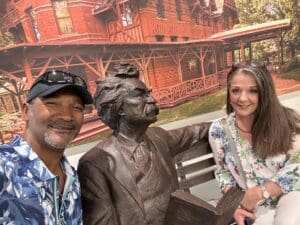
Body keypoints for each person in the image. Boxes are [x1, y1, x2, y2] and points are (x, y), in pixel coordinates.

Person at [77, 63, 210, 225]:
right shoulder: (95, 163)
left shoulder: (159, 137)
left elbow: (195, 132)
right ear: (119, 108)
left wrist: (231, 122)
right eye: (140, 95)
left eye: (149, 94)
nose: (152, 100)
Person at [209, 61, 300, 225]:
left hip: (291, 197)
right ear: (228, 93)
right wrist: (234, 206)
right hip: (255, 211)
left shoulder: (288, 120)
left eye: (253, 91)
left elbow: (297, 163)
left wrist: (260, 192)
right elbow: (223, 173)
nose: (242, 98)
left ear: (264, 93)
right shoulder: (219, 130)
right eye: (236, 90)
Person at [0, 70, 93, 224]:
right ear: (26, 111)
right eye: (52, 103)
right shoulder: (4, 168)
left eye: (77, 108)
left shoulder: (72, 178)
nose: (67, 116)